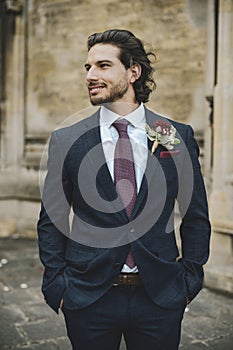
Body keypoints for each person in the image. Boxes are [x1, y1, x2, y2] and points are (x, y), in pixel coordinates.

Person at [37, 29, 211, 350]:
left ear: (133, 72)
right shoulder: (67, 140)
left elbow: (196, 215)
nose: (90, 75)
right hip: (88, 297)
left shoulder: (174, 136)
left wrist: (189, 279)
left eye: (103, 66)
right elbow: (52, 220)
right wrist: (58, 286)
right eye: (87, 67)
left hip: (159, 297)